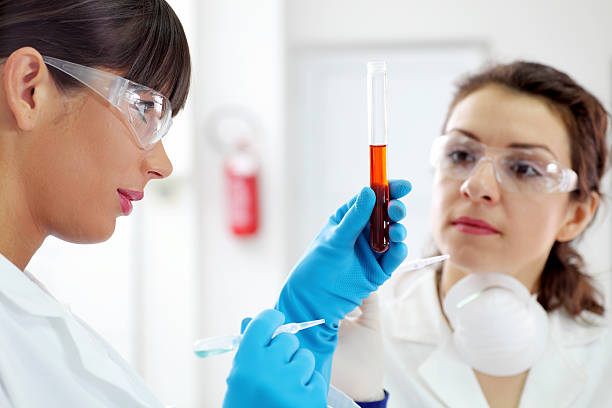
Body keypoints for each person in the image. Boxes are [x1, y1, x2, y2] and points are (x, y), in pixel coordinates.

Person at [0, 1, 411, 407]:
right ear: (29, 89)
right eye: (145, 109)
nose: (162, 164)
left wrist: (303, 321)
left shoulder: (36, 319)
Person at [330, 61, 612, 408]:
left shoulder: (604, 359)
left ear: (577, 214)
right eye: (461, 154)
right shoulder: (352, 346)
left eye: (524, 168)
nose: (476, 186)